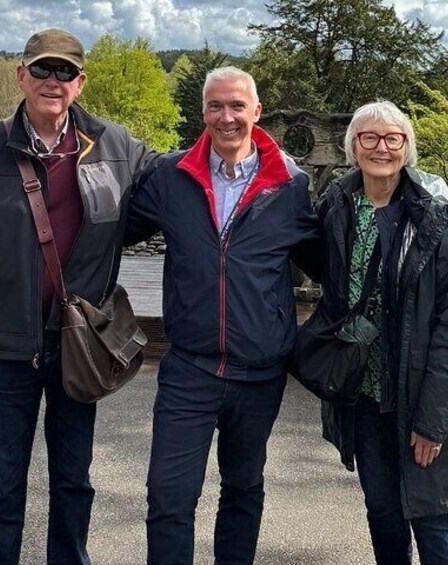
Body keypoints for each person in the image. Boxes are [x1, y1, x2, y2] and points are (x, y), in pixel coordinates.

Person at [0, 28, 156, 564]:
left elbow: (185, 179)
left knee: (73, 479)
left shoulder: (116, 146)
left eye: (66, 72)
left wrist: (255, 153)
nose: (54, 81)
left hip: (80, 345)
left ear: (81, 82)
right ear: (21, 76)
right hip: (8, 346)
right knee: (4, 480)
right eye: (43, 69)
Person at [125, 66, 320, 565]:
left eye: (237, 106)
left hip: (260, 373)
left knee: (242, 490)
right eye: (216, 106)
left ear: (257, 112)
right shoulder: (171, 177)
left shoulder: (290, 184)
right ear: (203, 112)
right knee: (168, 498)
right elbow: (107, 231)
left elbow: (328, 263)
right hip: (190, 368)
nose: (227, 117)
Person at [312, 100, 448, 564]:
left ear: (406, 147)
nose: (381, 147)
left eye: (393, 138)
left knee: (430, 515)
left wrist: (431, 420)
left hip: (421, 394)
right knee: (382, 510)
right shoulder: (336, 208)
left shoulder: (435, 219)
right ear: (353, 147)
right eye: (369, 137)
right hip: (364, 394)